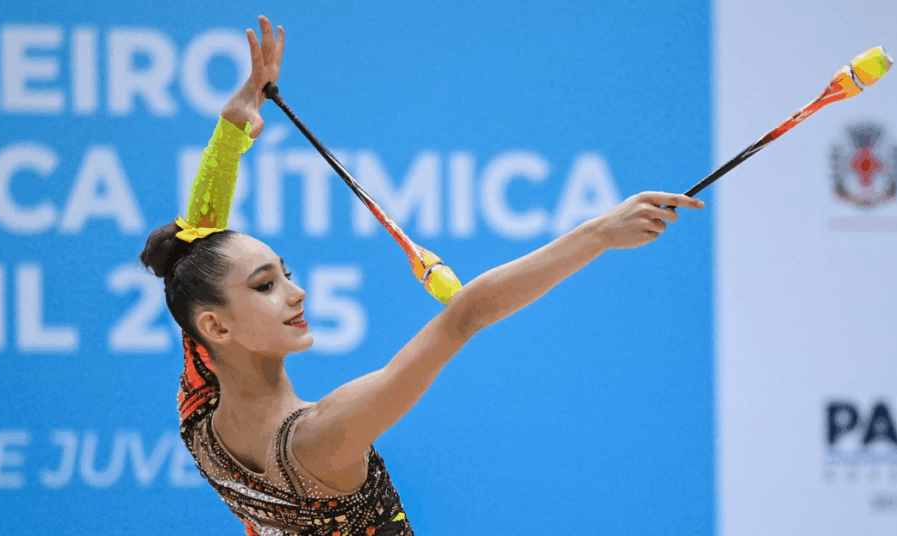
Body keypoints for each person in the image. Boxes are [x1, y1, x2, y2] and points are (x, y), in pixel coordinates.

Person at [140, 15, 705, 536]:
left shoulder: (200, 411)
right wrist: (600, 232)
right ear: (216, 327)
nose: (297, 292)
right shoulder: (319, 438)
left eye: (284, 275)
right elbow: (466, 315)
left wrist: (231, 135)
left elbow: (196, 247)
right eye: (266, 285)